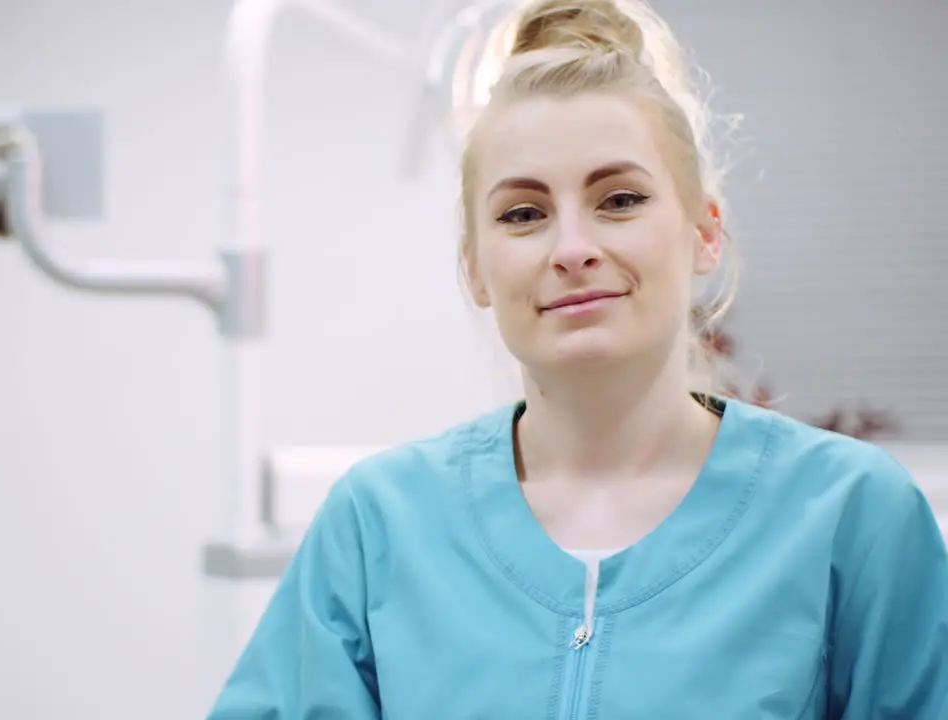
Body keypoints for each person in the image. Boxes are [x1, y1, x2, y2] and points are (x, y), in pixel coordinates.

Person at [206, 0, 948, 717]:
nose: (572, 249)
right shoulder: (376, 527)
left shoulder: (849, 517)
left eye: (619, 200)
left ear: (703, 233)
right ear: (474, 267)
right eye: (523, 214)